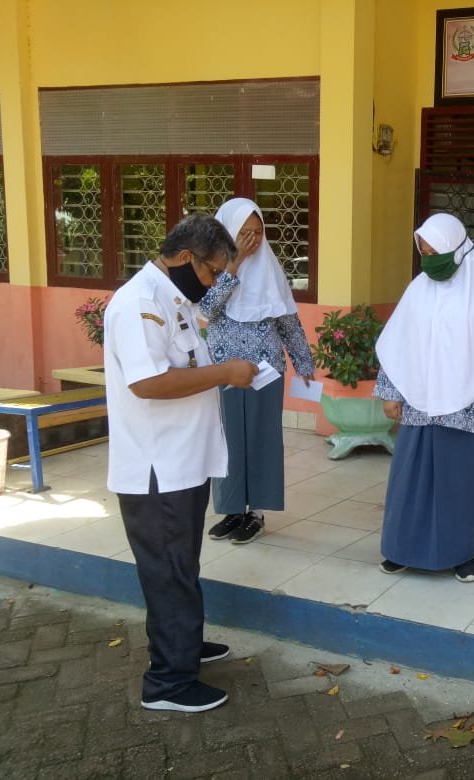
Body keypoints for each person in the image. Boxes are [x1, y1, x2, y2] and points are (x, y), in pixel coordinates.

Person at [104, 214, 258, 713]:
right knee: (168, 570)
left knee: (180, 565)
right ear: (187, 257)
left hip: (180, 463)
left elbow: (184, 364)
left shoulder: (172, 298)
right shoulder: (140, 303)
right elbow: (148, 382)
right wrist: (225, 373)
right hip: (158, 468)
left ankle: (182, 645)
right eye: (212, 272)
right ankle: (168, 683)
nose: (212, 283)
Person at [374, 212, 474, 583]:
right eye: (423, 252)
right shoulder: (418, 290)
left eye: (435, 251)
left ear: (456, 248)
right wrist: (390, 393)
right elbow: (398, 343)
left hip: (469, 408)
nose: (429, 260)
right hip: (419, 403)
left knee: (461, 482)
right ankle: (400, 549)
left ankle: (461, 555)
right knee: (410, 479)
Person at [200, 198, 315, 545]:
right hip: (223, 371)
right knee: (228, 442)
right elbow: (206, 310)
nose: (251, 240)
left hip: (266, 371)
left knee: (262, 441)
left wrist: (303, 363)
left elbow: (288, 322)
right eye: (243, 233)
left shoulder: (271, 270)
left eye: (257, 232)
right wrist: (233, 265)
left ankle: (257, 514)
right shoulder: (211, 269)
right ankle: (232, 510)